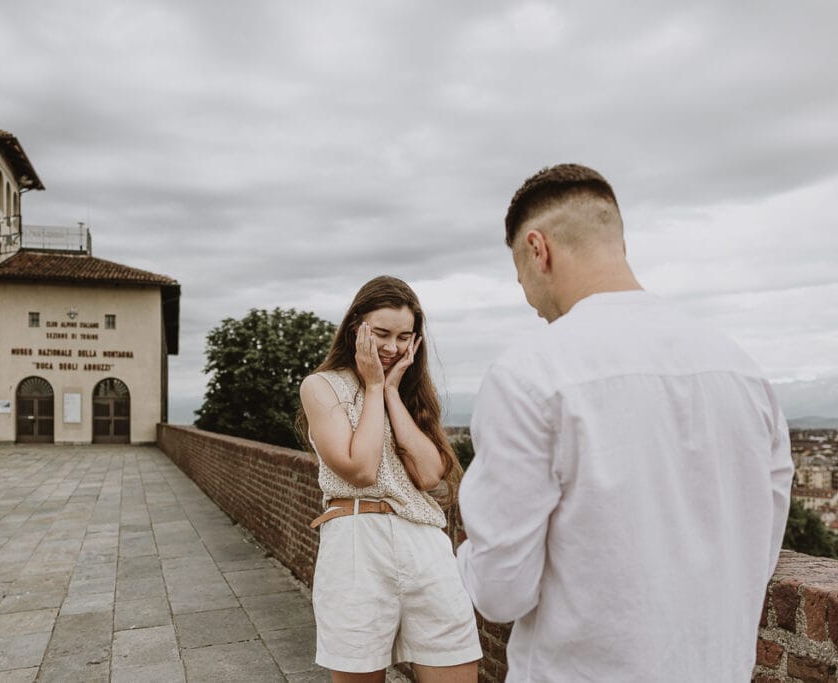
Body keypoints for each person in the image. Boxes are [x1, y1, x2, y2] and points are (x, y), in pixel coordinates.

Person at [456, 163, 794, 681]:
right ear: (621, 245)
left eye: (517, 272)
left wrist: (459, 559)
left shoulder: (528, 375)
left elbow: (502, 592)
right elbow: (759, 544)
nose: (524, 291)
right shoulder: (742, 369)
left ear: (536, 249)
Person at [298, 275, 482, 683]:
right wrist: (374, 385)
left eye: (404, 337)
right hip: (355, 544)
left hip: (424, 543)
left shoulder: (410, 393)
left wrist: (393, 393)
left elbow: (428, 472)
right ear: (355, 327)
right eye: (381, 333)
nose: (392, 347)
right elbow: (361, 469)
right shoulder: (321, 386)